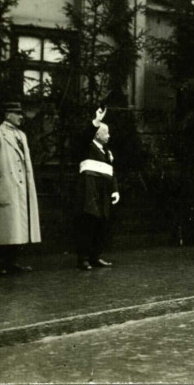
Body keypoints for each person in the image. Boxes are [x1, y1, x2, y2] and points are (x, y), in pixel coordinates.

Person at [0, 102, 40, 273]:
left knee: (17, 227)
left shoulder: (21, 135)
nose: (21, 117)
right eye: (17, 113)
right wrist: (1, 173)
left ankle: (11, 262)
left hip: (21, 186)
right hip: (6, 186)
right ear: (8, 115)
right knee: (5, 227)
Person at [74, 108, 120, 270]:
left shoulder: (107, 152)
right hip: (90, 191)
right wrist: (96, 121)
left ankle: (95, 256)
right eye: (105, 132)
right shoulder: (87, 146)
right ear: (97, 134)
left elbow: (111, 172)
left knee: (102, 223)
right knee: (89, 223)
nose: (109, 136)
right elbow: (85, 136)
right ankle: (84, 258)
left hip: (103, 192)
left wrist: (115, 190)